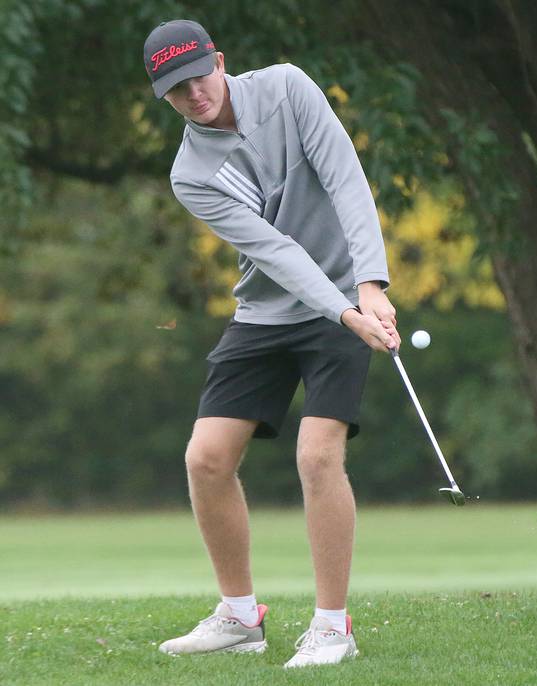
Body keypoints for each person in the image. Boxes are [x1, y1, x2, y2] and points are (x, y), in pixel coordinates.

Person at [142, 19, 400, 668]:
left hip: (347, 294)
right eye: (176, 90)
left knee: (318, 457)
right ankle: (237, 617)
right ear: (163, 95)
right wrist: (343, 310)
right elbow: (274, 251)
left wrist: (369, 285)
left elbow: (345, 180)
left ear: (220, 61)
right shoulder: (190, 174)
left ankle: (332, 628)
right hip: (273, 309)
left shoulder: (288, 88)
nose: (194, 95)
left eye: (199, 77)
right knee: (205, 459)